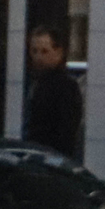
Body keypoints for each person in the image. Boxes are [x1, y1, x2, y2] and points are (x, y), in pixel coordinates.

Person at [22, 24, 83, 159]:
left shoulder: (66, 87)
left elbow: (66, 133)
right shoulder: (36, 83)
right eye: (34, 51)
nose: (38, 57)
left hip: (50, 158)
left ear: (58, 52)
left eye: (44, 51)